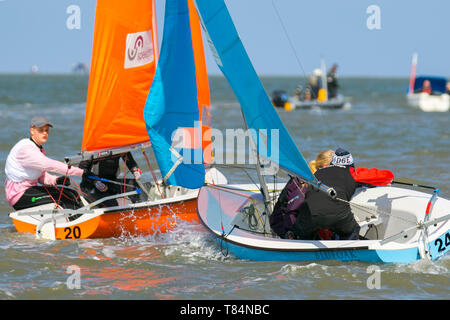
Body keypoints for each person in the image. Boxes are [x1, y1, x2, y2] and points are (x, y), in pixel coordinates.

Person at [5, 116, 85, 210]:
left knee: (71, 193)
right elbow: (50, 165)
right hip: (19, 195)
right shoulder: (26, 149)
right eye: (41, 130)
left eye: (46, 130)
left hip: (30, 190)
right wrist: (82, 172)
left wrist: (56, 180)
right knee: (63, 198)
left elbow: (41, 177)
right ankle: (77, 221)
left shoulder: (39, 149)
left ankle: (83, 217)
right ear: (32, 131)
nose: (45, 133)